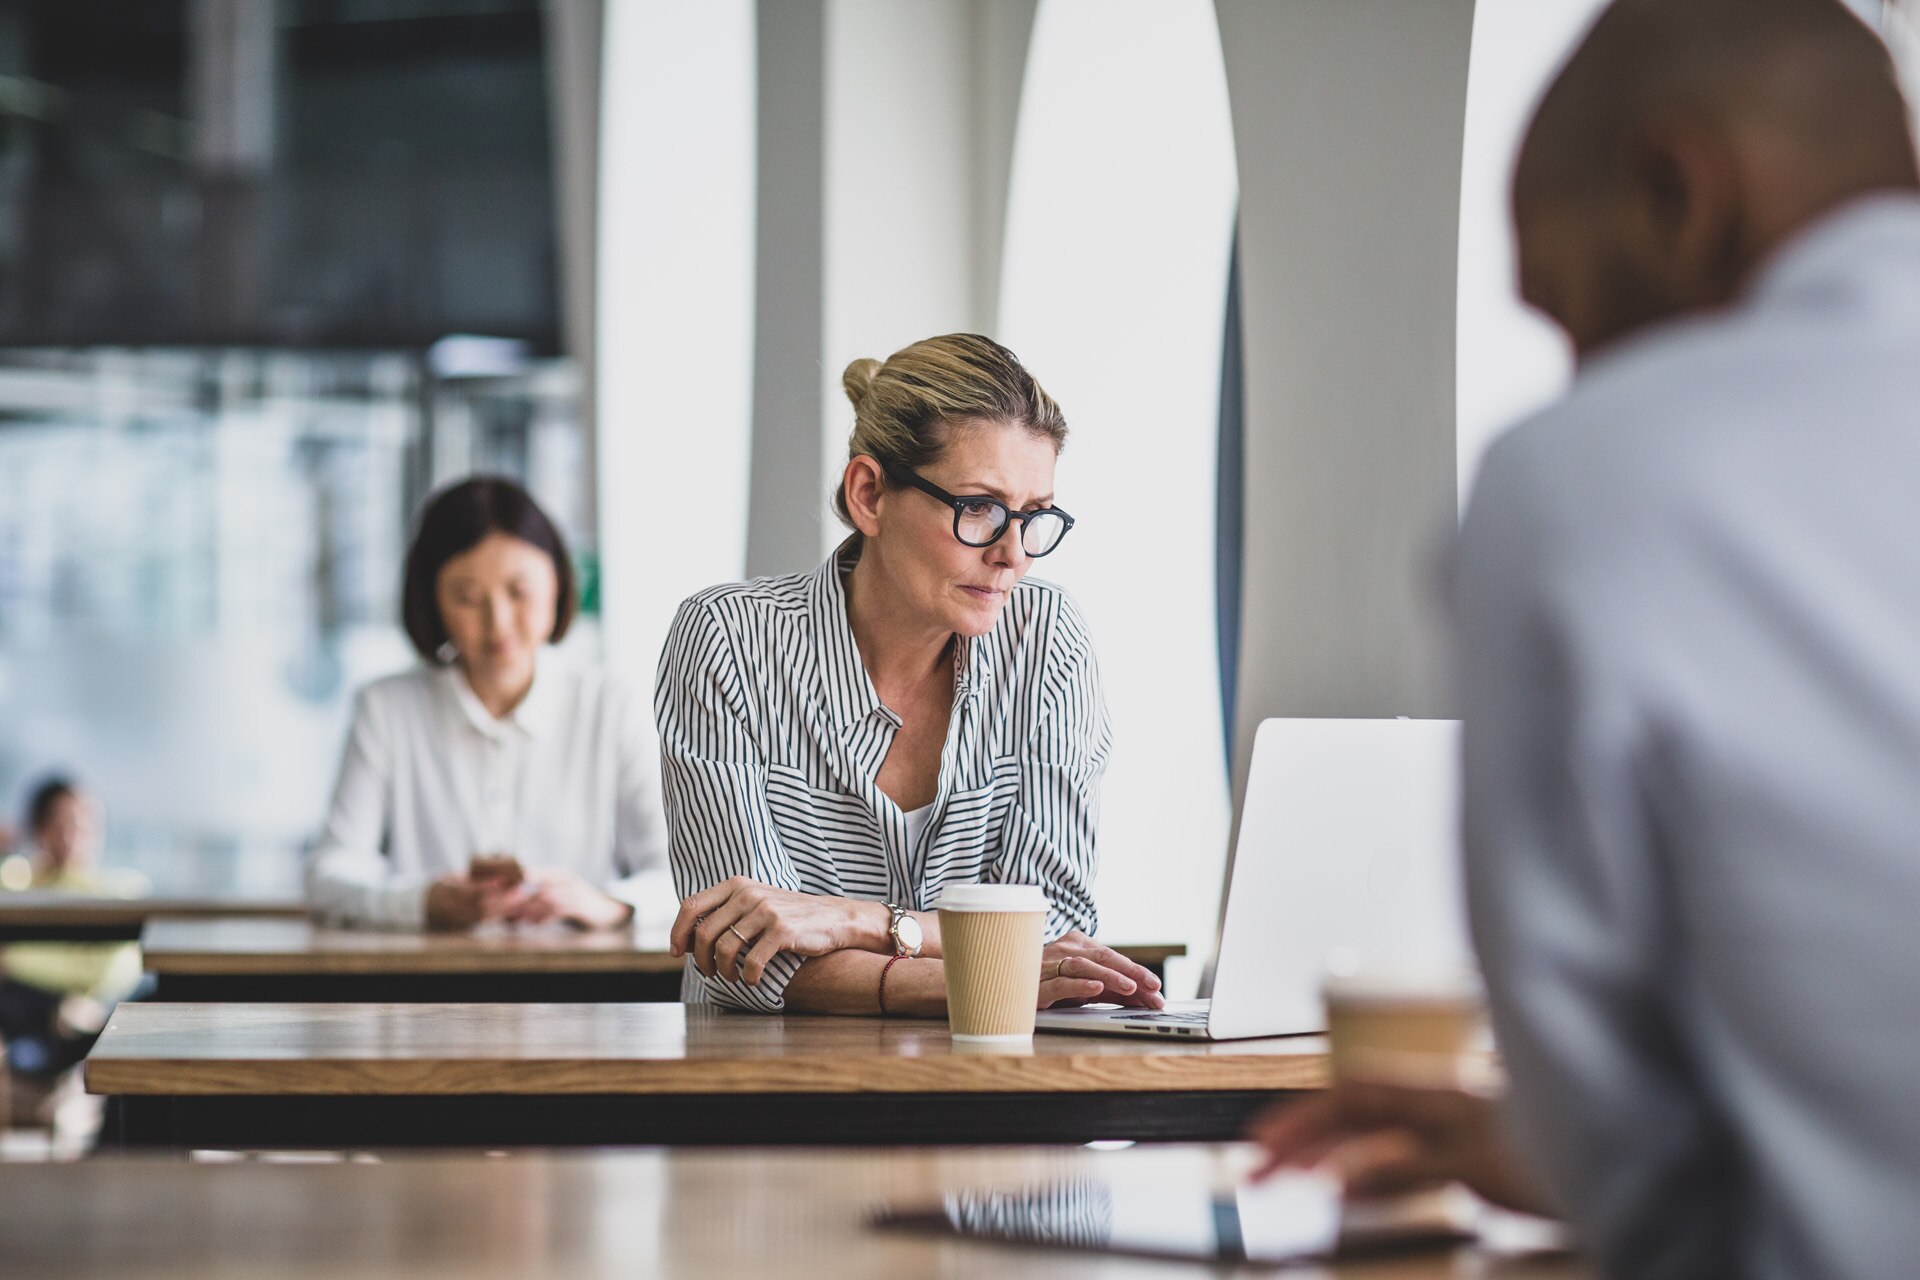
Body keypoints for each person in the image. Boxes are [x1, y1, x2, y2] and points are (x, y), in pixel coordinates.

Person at [1252, 2, 1920, 1277]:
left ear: (1678, 190)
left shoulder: (1588, 479)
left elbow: (1630, 1161)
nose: (1577, 366)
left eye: (1566, 307)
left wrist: (1556, 1147)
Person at [656, 333, 1163, 1015]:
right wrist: (973, 972)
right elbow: (740, 953)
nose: (1013, 554)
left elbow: (1056, 926)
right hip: (771, 1092)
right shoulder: (726, 641)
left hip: (992, 1088)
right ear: (870, 495)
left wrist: (855, 921)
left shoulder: (1047, 640)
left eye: (1035, 516)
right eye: (980, 508)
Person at [308, 477, 669, 931]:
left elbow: (679, 876)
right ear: (431, 600)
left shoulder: (609, 705)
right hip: (428, 987)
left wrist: (604, 903)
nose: (497, 622)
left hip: (583, 988)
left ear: (557, 584)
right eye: (467, 597)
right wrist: (421, 901)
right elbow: (329, 874)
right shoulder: (386, 708)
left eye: (519, 592)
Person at [0, 777, 145, 1081]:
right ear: (40, 828)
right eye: (64, 823)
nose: (78, 835)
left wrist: (13, 961)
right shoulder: (19, 882)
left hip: (86, 1020)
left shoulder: (118, 891)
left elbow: (107, 972)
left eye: (88, 824)